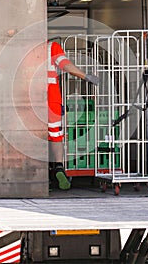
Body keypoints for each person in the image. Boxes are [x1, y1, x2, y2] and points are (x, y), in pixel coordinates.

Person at [48, 41, 99, 190]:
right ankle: (58, 167)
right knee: (55, 135)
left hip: (28, 99)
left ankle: (36, 175)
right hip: (51, 99)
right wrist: (85, 76)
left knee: (29, 134)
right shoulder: (51, 47)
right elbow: (65, 65)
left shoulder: (23, 49)